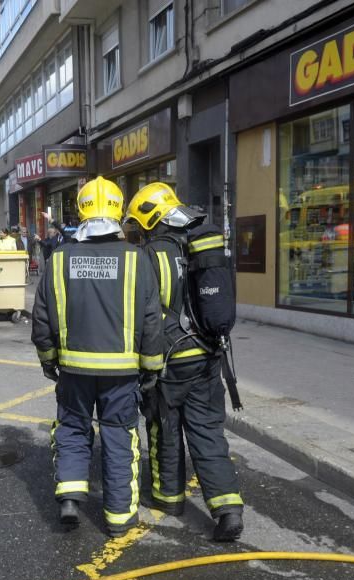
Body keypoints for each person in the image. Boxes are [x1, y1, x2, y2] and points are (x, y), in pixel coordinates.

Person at [32, 176, 163, 536]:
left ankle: (71, 497)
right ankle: (119, 519)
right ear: (119, 212)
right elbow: (152, 320)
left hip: (73, 368)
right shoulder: (137, 259)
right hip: (122, 373)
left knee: (73, 427)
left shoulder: (59, 258)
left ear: (82, 211)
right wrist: (151, 367)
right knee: (119, 436)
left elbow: (42, 315)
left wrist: (48, 358)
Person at [126, 182, 244, 542]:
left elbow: (144, 315)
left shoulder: (149, 256)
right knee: (208, 432)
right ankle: (228, 509)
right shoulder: (198, 246)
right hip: (207, 355)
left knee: (164, 427)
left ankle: (169, 498)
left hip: (169, 361)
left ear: (149, 218)